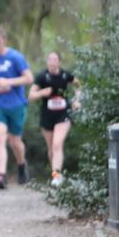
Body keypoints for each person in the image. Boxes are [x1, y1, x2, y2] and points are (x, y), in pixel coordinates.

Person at [0, 27, 32, 189]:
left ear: (4, 40)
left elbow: (28, 78)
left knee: (15, 141)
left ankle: (21, 164)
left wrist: (8, 82)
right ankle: (1, 175)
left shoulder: (15, 57)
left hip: (16, 104)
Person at [29, 52, 80, 187]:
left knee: (57, 144)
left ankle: (56, 176)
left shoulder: (65, 75)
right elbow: (31, 95)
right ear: (47, 62)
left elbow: (78, 85)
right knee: (51, 149)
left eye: (55, 59)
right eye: (50, 59)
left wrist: (77, 100)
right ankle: (56, 174)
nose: (52, 62)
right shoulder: (41, 77)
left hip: (63, 114)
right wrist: (42, 93)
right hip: (47, 116)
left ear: (59, 61)